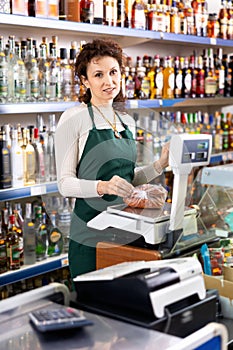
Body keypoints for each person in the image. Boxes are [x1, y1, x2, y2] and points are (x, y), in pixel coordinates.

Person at [55, 38, 169, 278]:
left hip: (127, 232)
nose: (109, 81)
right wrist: (103, 186)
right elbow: (65, 184)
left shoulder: (125, 120)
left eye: (113, 72)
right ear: (85, 81)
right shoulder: (73, 118)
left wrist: (160, 165)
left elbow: (128, 178)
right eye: (98, 75)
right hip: (90, 235)